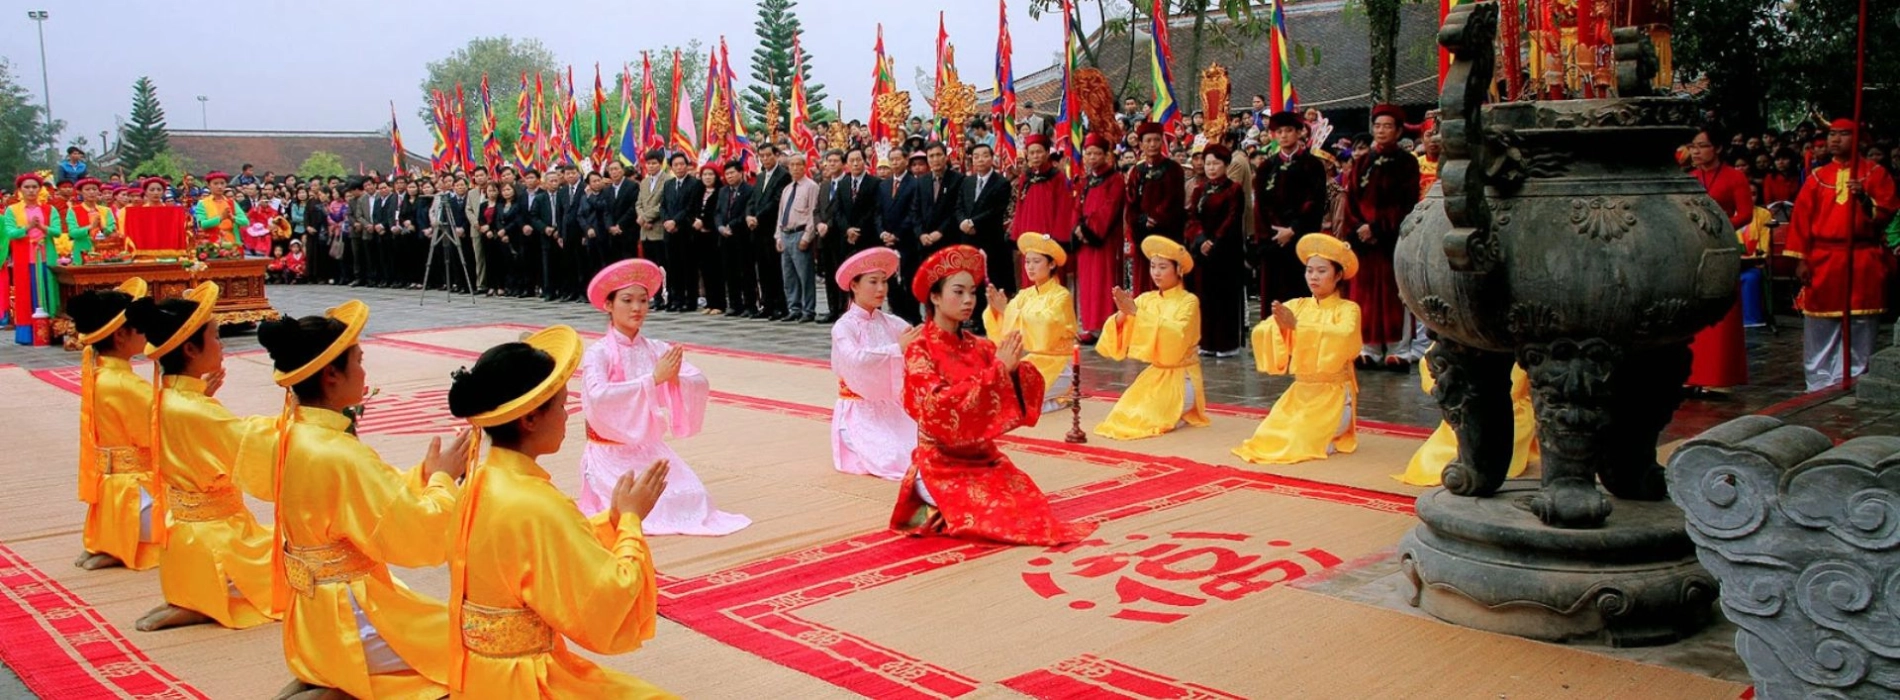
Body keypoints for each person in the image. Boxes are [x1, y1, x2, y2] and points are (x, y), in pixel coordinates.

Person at [446, 326, 674, 698]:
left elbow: (544, 546)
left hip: (477, 674)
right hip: (524, 680)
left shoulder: (479, 479)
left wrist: (612, 520)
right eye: (562, 404)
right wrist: (631, 522)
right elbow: (608, 595)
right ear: (530, 419)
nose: (568, 415)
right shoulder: (539, 503)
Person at [256, 302, 468, 700]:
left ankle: (325, 674)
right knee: (471, 647)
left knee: (428, 618)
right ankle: (342, 684)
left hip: (310, 612)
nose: (365, 372)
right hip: (350, 616)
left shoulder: (285, 432)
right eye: (359, 360)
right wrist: (443, 480)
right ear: (332, 375)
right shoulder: (340, 452)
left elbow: (360, 501)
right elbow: (414, 534)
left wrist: (423, 475)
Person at [889, 245, 1096, 546]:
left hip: (983, 458)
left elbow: (1022, 386)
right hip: (940, 463)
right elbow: (937, 407)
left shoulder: (980, 346)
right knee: (989, 514)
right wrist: (999, 371)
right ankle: (932, 508)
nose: (968, 300)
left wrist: (1013, 370)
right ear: (934, 296)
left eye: (971, 292)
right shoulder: (920, 350)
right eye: (958, 292)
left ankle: (941, 512)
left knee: (1026, 505)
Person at [124, 282, 279, 632]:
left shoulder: (164, 397)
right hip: (222, 541)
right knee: (294, 556)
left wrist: (202, 397)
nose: (221, 346)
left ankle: (189, 596)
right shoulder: (197, 411)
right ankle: (207, 597)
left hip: (180, 536)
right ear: (192, 349)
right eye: (216, 337)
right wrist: (302, 418)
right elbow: (254, 446)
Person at [579, 260, 750, 536]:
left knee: (693, 497)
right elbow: (597, 397)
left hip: (647, 448)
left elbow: (698, 380)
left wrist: (675, 379)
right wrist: (653, 380)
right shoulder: (598, 353)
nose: (637, 308)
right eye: (627, 300)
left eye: (643, 301)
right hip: (610, 452)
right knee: (644, 507)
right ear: (608, 305)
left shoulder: (656, 348)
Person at [1787, 119, 1898, 391]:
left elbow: (1885, 212)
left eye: (1843, 134)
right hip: (1823, 257)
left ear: (1858, 138)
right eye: (1832, 134)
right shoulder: (1816, 178)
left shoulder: (1875, 173)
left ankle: (1853, 377)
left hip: (1861, 255)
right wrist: (1801, 259)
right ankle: (1818, 381)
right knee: (1820, 322)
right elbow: (1800, 220)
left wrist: (1864, 200)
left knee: (1860, 322)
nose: (1835, 139)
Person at [1233, 235, 1362, 465]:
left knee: (1299, 439)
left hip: (1332, 394)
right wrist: (1280, 327)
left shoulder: (1348, 309)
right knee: (1267, 436)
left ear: (1338, 275)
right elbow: (1262, 331)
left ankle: (1332, 436)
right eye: (1310, 270)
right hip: (1301, 391)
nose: (1313, 276)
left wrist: (1297, 327)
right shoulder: (1297, 305)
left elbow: (1344, 337)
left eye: (1321, 271)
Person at [68, 279, 160, 572]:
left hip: (110, 498)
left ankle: (112, 541)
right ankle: (126, 540)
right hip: (138, 501)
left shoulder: (97, 372)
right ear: (121, 336)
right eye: (140, 327)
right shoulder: (125, 384)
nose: (145, 332)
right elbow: (168, 431)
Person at [1094, 236, 1209, 440]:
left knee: (1149, 417)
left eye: (1163, 267)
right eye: (1153, 266)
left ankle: (1182, 411)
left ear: (1178, 270)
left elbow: (1178, 335)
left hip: (1182, 377)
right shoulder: (1147, 299)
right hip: (1155, 374)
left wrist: (1137, 313)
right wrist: (1122, 313)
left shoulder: (1189, 301)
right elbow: (1120, 327)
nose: (1156, 272)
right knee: (1123, 414)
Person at [1342, 105, 1422, 370]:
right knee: (1363, 293)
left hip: (1390, 239)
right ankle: (1368, 347)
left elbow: (1405, 202)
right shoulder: (1362, 162)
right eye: (1377, 126)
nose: (1381, 131)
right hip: (1363, 243)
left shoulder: (1406, 163)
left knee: (1393, 293)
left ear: (1399, 131)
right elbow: (1351, 199)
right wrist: (1358, 229)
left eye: (1387, 126)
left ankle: (1399, 348)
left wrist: (1377, 228)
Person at [830, 248, 919, 480]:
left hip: (893, 408)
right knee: (892, 457)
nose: (881, 289)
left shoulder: (890, 322)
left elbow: (918, 340)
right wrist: (896, 349)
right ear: (854, 285)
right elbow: (855, 359)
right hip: (859, 413)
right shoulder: (844, 327)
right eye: (873, 282)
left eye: (884, 281)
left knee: (929, 449)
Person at [1394, 355, 1538, 486]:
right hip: (1470, 406)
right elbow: (1430, 361)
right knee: (1435, 460)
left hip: (1514, 412)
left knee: (1496, 462)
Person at [1686, 127, 1752, 392]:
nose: (1696, 151)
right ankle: (1691, 375)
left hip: (1721, 246)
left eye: (1702, 146)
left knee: (1721, 312)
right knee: (1692, 311)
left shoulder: (1735, 177)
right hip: (1692, 247)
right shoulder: (1688, 178)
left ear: (1718, 148)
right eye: (1693, 146)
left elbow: (1745, 213)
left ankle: (1719, 378)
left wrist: (1720, 228)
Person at [985, 233, 1079, 413]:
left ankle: (1064, 393)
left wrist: (1008, 310)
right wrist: (997, 310)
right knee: (999, 387)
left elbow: (1047, 323)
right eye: (1027, 262)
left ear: (1051, 264)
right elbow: (1007, 328)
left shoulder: (1061, 296)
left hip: (1059, 364)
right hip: (1033, 361)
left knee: (1022, 399)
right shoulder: (1025, 294)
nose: (1030, 267)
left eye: (1036, 261)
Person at [1255, 112, 1332, 309]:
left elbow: (1314, 203)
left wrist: (1293, 229)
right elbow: (1261, 206)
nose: (1283, 136)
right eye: (1279, 131)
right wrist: (1272, 234)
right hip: (1272, 244)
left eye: (1289, 130)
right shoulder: (1266, 167)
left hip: (1300, 243)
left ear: (1300, 132)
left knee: (1299, 300)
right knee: (1273, 302)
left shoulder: (1312, 165)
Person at [1188, 144, 1247, 357]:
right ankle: (1206, 341)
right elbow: (1193, 217)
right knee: (1205, 296)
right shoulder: (1199, 190)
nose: (1211, 168)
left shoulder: (1234, 189)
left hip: (1226, 251)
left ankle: (1226, 343)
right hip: (1202, 252)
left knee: (1225, 296)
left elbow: (1232, 218)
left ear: (1226, 165)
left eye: (1216, 163)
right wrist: (1201, 238)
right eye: (1208, 163)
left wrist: (1214, 241)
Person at [1075, 134, 1127, 340]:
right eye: (1089, 154)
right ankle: (1090, 325)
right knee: (1087, 282)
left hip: (1104, 239)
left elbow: (1110, 208)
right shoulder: (1086, 180)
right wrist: (1078, 227)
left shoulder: (1115, 179)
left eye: (1097, 153)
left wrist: (1089, 229)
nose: (1093, 157)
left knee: (1104, 281)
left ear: (1106, 155)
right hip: (1085, 240)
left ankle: (1107, 326)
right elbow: (1077, 206)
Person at [1124, 122, 1187, 294]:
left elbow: (1174, 199)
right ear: (1141, 144)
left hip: (1167, 233)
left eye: (1156, 140)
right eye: (1148, 141)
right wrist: (1140, 220)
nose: (1152, 144)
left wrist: (1156, 217)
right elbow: (1131, 201)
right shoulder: (1137, 171)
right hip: (1142, 234)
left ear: (1162, 142)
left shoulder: (1174, 169)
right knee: (1144, 281)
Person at [3, 173, 64, 323]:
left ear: (40, 189)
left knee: (48, 291)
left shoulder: (49, 209)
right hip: (25, 257)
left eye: (34, 187)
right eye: (27, 187)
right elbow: (10, 233)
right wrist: (28, 227)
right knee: (27, 293)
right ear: (20, 190)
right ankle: (28, 330)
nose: (31, 190)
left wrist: (42, 227)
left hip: (46, 257)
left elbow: (57, 231)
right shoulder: (12, 210)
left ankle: (51, 328)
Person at [777, 156, 821, 323]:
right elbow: (781, 215)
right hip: (785, 233)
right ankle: (794, 308)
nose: (795, 168)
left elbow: (813, 212)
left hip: (800, 233)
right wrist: (778, 236)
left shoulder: (811, 187)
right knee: (789, 275)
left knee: (805, 275)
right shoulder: (787, 189)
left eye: (798, 165)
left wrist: (808, 235)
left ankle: (808, 309)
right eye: (791, 165)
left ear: (804, 166)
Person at [660, 154, 705, 312]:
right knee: (673, 268)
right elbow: (663, 206)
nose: (679, 167)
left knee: (688, 267)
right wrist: (666, 221)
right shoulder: (668, 184)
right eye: (675, 165)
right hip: (669, 232)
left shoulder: (695, 184)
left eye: (681, 164)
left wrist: (675, 221)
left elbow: (690, 207)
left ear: (687, 165)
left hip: (686, 231)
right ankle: (675, 299)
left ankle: (690, 300)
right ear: (671, 167)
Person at [191, 171, 249, 247]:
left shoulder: (231, 202)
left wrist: (233, 218)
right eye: (216, 183)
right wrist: (221, 218)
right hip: (211, 244)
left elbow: (245, 222)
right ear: (209, 185)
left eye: (222, 183)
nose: (219, 186)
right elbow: (202, 224)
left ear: (226, 185)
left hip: (232, 242)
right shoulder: (202, 203)